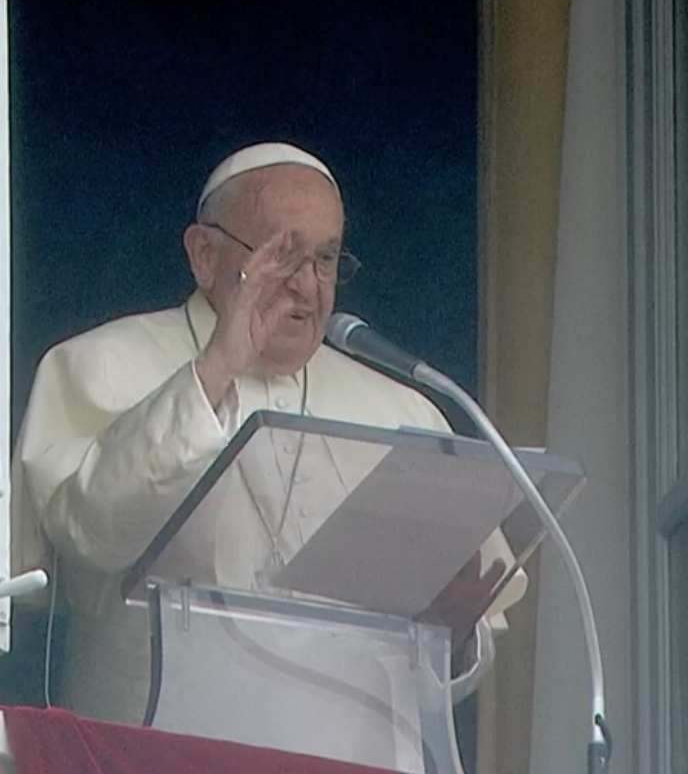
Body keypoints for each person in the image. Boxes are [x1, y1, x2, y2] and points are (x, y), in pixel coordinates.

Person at [9, 142, 526, 771]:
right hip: (152, 754)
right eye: (283, 255)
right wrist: (219, 366)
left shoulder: (403, 413)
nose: (308, 285)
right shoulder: (100, 364)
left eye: (327, 258)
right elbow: (91, 536)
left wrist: (450, 633)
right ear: (204, 254)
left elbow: (447, 680)